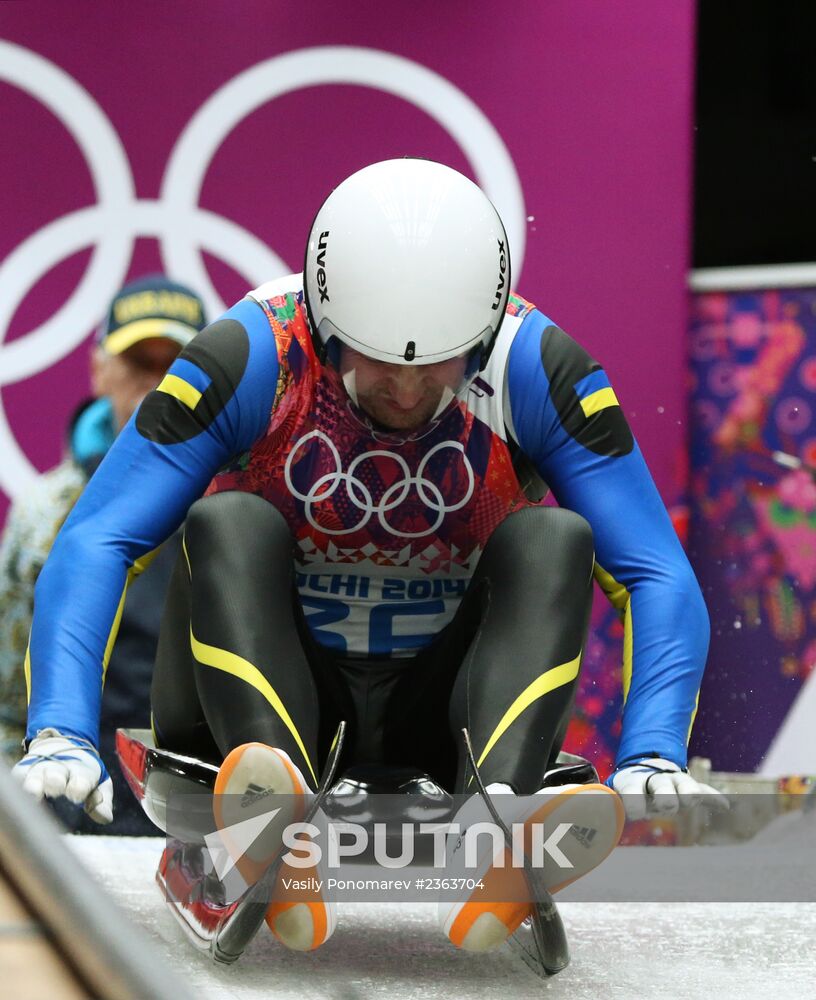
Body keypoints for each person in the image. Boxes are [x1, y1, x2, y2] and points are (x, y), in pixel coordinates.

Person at [13, 160, 723, 953]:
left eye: (438, 364)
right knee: (228, 521)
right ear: (324, 325)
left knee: (555, 536)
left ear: (483, 336)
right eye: (381, 362)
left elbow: (654, 569)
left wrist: (654, 743)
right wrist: (61, 729)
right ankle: (272, 809)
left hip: (439, 711)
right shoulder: (251, 353)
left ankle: (499, 819)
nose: (411, 393)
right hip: (260, 704)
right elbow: (99, 537)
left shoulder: (539, 367)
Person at [1, 275, 207, 833]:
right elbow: (5, 698)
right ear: (99, 371)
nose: (159, 383)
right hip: (69, 798)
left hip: (206, 807)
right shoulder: (46, 513)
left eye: (177, 366)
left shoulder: (244, 502)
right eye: (140, 362)